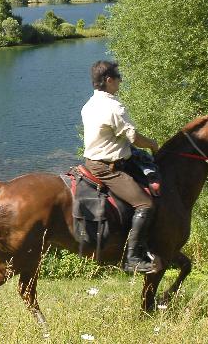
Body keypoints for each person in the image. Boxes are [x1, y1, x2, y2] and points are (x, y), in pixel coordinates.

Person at [81, 60, 160, 273]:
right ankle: (132, 258)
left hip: (92, 161)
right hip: (108, 168)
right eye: (118, 78)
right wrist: (152, 144)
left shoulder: (89, 104)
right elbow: (133, 137)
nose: (120, 81)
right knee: (145, 204)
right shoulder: (114, 106)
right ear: (108, 80)